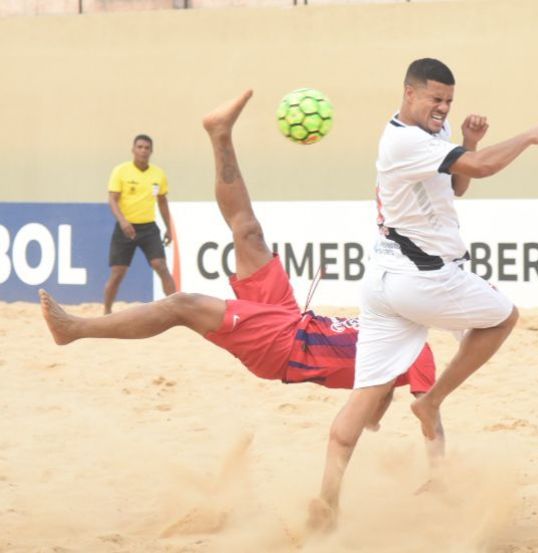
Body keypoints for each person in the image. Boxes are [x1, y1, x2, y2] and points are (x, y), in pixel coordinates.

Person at [40, 90, 443, 448]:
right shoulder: (386, 319)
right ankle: (219, 133)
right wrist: (378, 399)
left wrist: (421, 453)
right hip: (293, 319)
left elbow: (426, 413)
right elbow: (377, 399)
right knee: (247, 231)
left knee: (182, 304)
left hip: (285, 347)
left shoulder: (418, 350)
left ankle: (75, 329)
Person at [312, 58, 538, 529]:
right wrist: (528, 135)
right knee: (503, 318)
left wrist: (469, 141)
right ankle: (431, 401)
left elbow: (457, 186)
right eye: (434, 98)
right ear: (409, 93)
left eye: (448, 100)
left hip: (383, 281)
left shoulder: (427, 135)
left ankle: (326, 503)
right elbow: (480, 171)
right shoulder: (404, 139)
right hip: (423, 279)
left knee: (364, 398)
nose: (442, 107)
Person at [104, 134, 176, 314]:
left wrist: (169, 228)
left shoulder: (158, 174)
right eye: (140, 147)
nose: (143, 151)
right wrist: (123, 221)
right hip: (125, 228)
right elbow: (112, 199)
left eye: (146, 148)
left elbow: (162, 202)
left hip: (148, 228)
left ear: (151, 151)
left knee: (161, 266)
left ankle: (177, 311)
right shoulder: (121, 171)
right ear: (133, 150)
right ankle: (106, 311)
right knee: (118, 273)